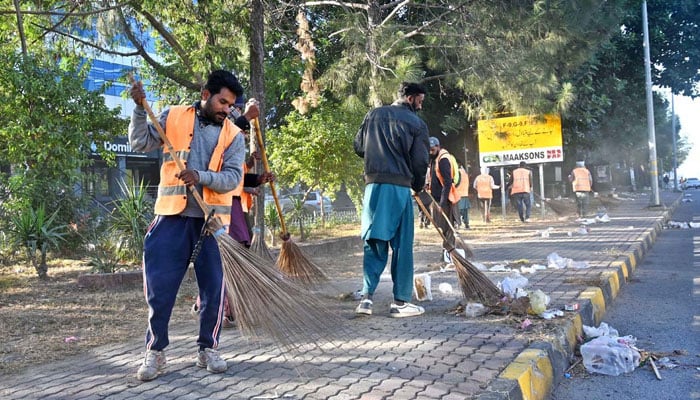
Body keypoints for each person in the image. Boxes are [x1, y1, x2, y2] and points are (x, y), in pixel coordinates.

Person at [129, 70, 246, 381]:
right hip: (171, 216)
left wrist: (201, 176)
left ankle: (208, 348)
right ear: (206, 95)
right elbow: (140, 141)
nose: (227, 109)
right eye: (222, 101)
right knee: (160, 288)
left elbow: (234, 178)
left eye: (231, 105)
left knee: (214, 290)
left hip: (212, 224)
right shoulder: (173, 116)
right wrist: (140, 108)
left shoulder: (234, 135)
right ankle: (155, 352)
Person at [353, 81, 430, 318]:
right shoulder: (416, 124)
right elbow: (420, 162)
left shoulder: (373, 114)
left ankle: (366, 299)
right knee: (402, 245)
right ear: (411, 98)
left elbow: (358, 147)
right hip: (398, 187)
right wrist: (417, 186)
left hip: (373, 187)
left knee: (373, 241)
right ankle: (400, 302)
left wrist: (379, 155)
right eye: (420, 100)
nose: (421, 105)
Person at [428, 136, 460, 259]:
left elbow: (447, 182)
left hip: (447, 199)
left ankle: (449, 254)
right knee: (443, 227)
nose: (431, 151)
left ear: (437, 146)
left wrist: (442, 202)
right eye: (429, 149)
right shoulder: (435, 159)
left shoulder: (443, 160)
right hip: (437, 198)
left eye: (432, 149)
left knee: (448, 228)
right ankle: (447, 253)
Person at [454, 164, 470, 229]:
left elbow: (455, 182)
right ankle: (466, 224)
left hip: (457, 194)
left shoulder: (457, 173)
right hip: (465, 194)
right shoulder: (465, 174)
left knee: (457, 211)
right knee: (465, 211)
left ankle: (457, 224)